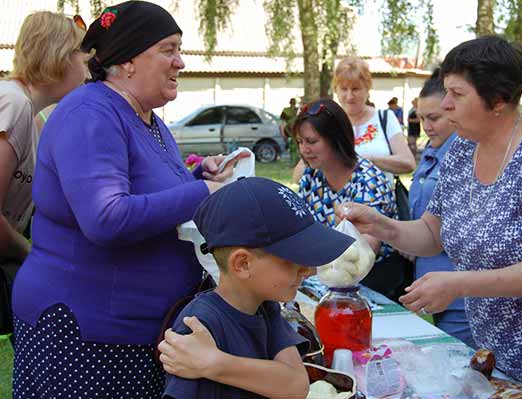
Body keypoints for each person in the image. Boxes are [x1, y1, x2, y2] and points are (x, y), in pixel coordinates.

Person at [339, 35, 522, 397]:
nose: (445, 105)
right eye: (446, 92)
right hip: (498, 347)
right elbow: (433, 233)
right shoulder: (461, 149)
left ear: (498, 101)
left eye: (457, 95)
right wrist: (382, 225)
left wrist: (459, 283)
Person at [11, 2, 244, 398]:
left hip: (131, 331)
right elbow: (106, 217)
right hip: (86, 335)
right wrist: (203, 193)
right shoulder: (90, 113)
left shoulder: (146, 118)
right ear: (129, 60)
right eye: (168, 49)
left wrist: (197, 176)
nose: (181, 62)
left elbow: (147, 195)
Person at [160, 177, 354, 399]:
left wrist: (216, 364)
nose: (309, 270)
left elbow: (296, 386)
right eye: (295, 258)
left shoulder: (265, 307)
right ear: (243, 264)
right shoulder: (197, 327)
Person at [0, 11, 88, 341]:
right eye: (81, 54)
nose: (86, 67)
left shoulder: (35, 119)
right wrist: (28, 252)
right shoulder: (13, 103)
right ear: (57, 56)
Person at [294, 99, 411, 300]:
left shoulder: (369, 180)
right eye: (299, 142)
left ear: (336, 139)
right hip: (326, 281)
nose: (304, 149)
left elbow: (361, 254)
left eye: (311, 141)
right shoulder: (311, 178)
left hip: (374, 285)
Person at [409, 68, 474, 348]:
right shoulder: (432, 151)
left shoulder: (467, 154)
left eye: (433, 118)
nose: (426, 126)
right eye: (421, 118)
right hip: (432, 280)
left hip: (461, 291)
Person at [293, 56, 415, 185]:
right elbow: (298, 177)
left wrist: (362, 161)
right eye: (344, 89)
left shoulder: (384, 118)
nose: (350, 96)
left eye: (356, 89)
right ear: (336, 90)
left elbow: (408, 163)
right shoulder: (328, 120)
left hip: (377, 202)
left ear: (368, 89)